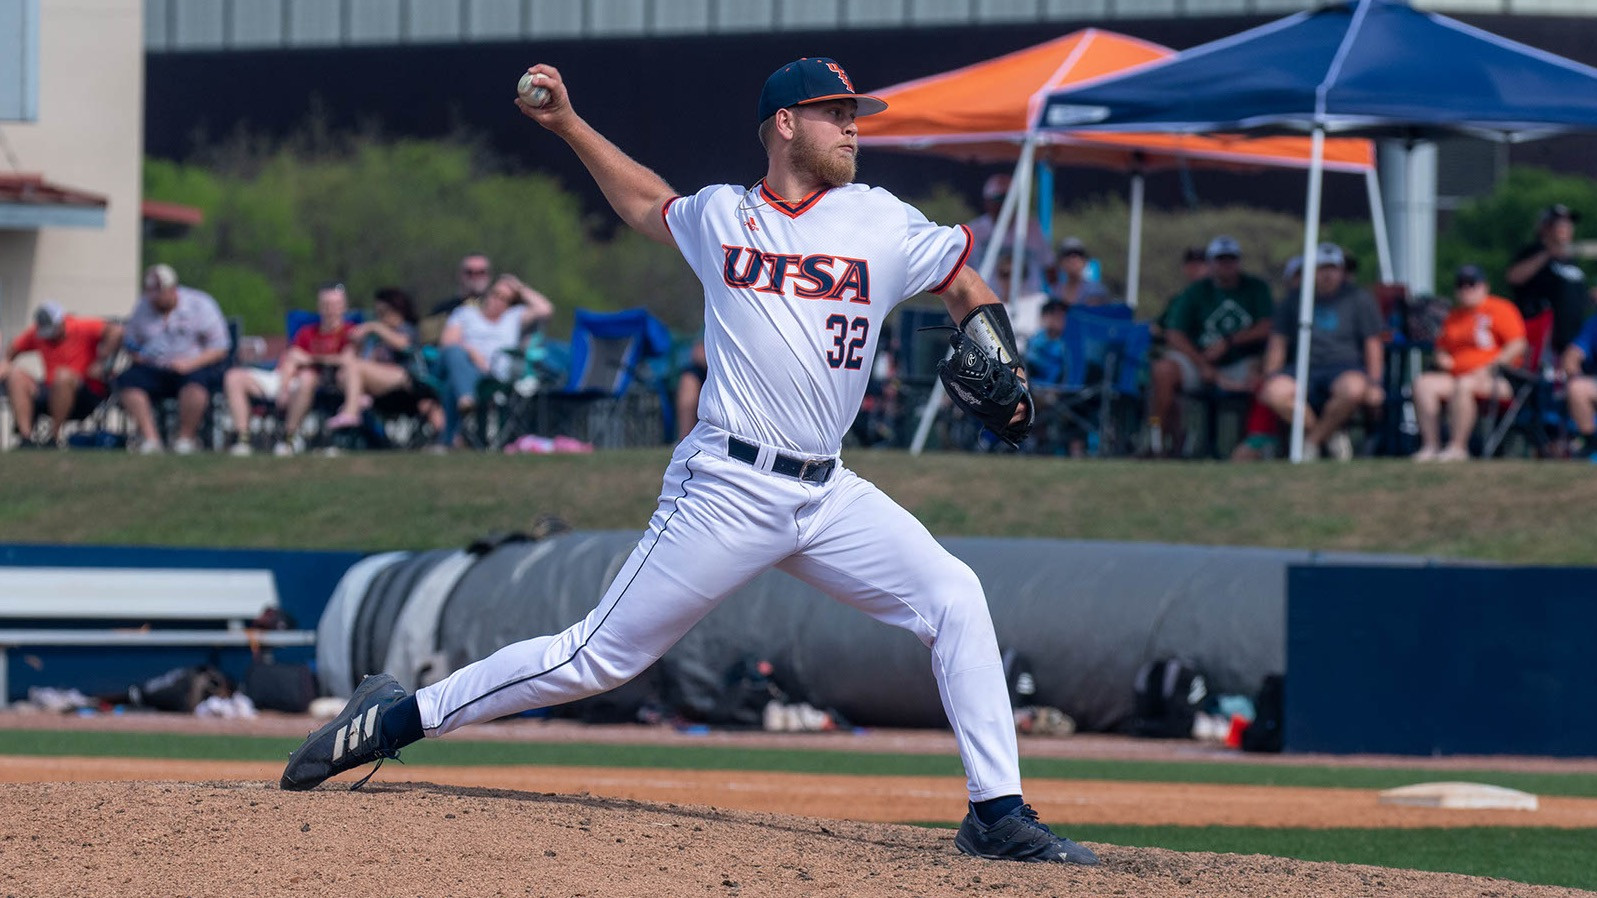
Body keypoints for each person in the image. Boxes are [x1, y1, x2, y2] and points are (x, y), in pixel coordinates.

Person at [281, 57, 1097, 868]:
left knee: (953, 595)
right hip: (726, 488)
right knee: (595, 657)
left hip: (828, 493)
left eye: (855, 113)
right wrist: (566, 123)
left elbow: (962, 279)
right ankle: (394, 719)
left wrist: (1001, 350)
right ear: (784, 123)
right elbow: (644, 200)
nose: (853, 127)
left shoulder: (878, 219)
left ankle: (994, 812)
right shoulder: (722, 216)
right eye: (834, 112)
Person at [1147, 236, 1274, 456]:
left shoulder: (1256, 288)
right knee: (1163, 371)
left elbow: (1268, 326)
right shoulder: (1195, 291)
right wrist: (1202, 363)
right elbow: (1173, 333)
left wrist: (1229, 341)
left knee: (1266, 378)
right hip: (1199, 361)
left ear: (1239, 261)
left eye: (1231, 259)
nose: (1226, 265)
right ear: (1211, 263)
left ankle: (1254, 448)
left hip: (1242, 362)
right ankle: (1158, 440)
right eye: (1220, 260)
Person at [1258, 243, 1385, 461]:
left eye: (1332, 268)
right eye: (1320, 268)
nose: (1327, 274)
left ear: (1341, 271)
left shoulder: (1358, 298)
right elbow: (1278, 341)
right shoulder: (1294, 299)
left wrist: (1374, 382)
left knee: (1353, 389)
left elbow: (1372, 343)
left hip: (1344, 367)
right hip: (1301, 368)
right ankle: (1329, 434)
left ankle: (1310, 445)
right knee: (1273, 393)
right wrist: (1271, 373)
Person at [1410, 266, 1527, 462]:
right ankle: (1431, 446)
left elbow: (1518, 345)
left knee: (1464, 384)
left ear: (1484, 287)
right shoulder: (1454, 317)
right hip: (1457, 376)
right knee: (1423, 384)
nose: (1466, 289)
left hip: (1499, 379)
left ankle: (1458, 447)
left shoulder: (1500, 308)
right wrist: (1441, 357)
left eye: (1472, 284)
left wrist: (1490, 367)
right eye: (1461, 285)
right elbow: (1442, 346)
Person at [116, 264, 231, 454]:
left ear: (172, 289)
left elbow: (220, 347)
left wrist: (190, 364)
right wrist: (138, 355)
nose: (155, 300)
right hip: (155, 367)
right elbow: (130, 341)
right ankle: (151, 439)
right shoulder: (143, 307)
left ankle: (185, 439)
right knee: (128, 381)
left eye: (160, 294)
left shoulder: (200, 304)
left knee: (196, 384)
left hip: (193, 365)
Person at [437, 273, 554, 446]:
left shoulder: (514, 317)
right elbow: (447, 342)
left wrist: (519, 287)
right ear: (487, 294)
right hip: (467, 368)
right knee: (454, 357)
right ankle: (466, 399)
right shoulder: (465, 313)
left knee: (450, 386)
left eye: (505, 298)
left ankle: (450, 439)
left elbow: (546, 309)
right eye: (495, 294)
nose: (497, 300)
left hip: (495, 376)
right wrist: (472, 352)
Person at [324, 288, 444, 437]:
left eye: (383, 312)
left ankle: (350, 412)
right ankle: (359, 398)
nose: (380, 316)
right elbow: (367, 360)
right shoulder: (375, 339)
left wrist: (373, 327)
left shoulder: (406, 329)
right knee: (344, 372)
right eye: (377, 313)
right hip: (380, 384)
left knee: (354, 367)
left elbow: (403, 344)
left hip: (406, 379)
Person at [4, 302, 121, 447]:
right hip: (51, 389)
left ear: (61, 322)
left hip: (85, 392)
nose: (49, 336)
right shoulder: (38, 333)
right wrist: (6, 365)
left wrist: (102, 361)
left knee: (62, 376)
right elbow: (13, 348)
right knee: (15, 376)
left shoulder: (81, 326)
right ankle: (25, 438)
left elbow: (116, 331)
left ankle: (53, 437)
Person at [1506, 204, 1596, 356]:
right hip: (1541, 334)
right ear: (1545, 227)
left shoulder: (1570, 260)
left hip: (1571, 335)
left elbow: (1572, 297)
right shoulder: (1533, 252)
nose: (1566, 228)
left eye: (1568, 224)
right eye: (1559, 224)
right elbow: (1514, 277)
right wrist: (1547, 253)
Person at [965, 173, 1052, 296]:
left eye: (1006, 200)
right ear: (987, 202)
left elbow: (1049, 266)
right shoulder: (974, 231)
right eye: (997, 200)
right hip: (988, 300)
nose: (1001, 205)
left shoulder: (1032, 228)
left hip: (1029, 300)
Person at [420, 253, 495, 345]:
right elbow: (425, 333)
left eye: (481, 272)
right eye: (469, 272)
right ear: (460, 275)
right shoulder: (444, 308)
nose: (475, 277)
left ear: (489, 276)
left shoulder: (501, 308)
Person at [991, 249, 1049, 349]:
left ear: (1024, 276)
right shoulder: (990, 305)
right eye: (1005, 274)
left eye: (1015, 275)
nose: (1010, 280)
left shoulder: (1040, 302)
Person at [1559, 312, 1597, 459]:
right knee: (1577, 388)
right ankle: (1591, 444)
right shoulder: (1594, 324)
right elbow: (1572, 355)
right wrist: (1574, 371)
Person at [1052, 237, 1114, 307]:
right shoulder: (1055, 292)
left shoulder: (1096, 291)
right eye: (1067, 255)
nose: (1073, 260)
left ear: (1085, 261)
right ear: (1060, 262)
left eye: (1078, 255)